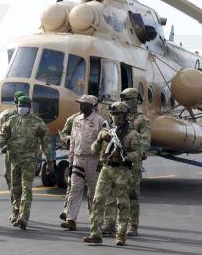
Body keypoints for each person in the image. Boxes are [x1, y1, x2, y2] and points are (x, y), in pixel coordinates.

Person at [83, 102, 142, 246]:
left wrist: (126, 156)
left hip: (122, 170)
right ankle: (95, 233)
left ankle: (121, 235)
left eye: (119, 115)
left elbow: (139, 153)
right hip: (106, 169)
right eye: (114, 114)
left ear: (125, 115)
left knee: (122, 203)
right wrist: (100, 139)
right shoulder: (107, 131)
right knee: (97, 200)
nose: (116, 117)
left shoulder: (132, 134)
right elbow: (93, 150)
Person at [0, 96, 53, 230]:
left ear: (30, 107)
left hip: (29, 160)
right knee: (15, 188)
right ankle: (16, 213)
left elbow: (46, 142)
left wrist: (49, 161)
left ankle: (23, 217)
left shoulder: (38, 122)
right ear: (17, 106)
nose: (21, 108)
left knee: (26, 188)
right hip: (14, 159)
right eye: (20, 105)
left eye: (24, 105)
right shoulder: (12, 120)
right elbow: (2, 135)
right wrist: (3, 143)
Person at [102, 88, 151, 237]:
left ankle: (132, 225)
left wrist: (129, 152)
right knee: (110, 193)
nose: (126, 102)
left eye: (129, 99)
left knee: (132, 195)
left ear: (137, 100)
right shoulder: (116, 116)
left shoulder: (142, 120)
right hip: (114, 163)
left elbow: (145, 142)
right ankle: (110, 224)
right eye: (124, 99)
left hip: (131, 164)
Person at [60, 95, 104, 231]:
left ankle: (95, 220)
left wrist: (102, 160)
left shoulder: (99, 121)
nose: (80, 106)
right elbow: (72, 140)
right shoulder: (76, 120)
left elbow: (104, 143)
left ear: (91, 105)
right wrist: (71, 160)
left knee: (93, 191)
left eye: (83, 104)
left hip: (93, 159)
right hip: (78, 159)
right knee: (74, 188)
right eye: (80, 103)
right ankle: (71, 219)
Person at [0, 90, 25, 223]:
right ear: (15, 102)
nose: (20, 105)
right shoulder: (6, 116)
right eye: (18, 102)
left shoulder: (31, 118)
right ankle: (15, 208)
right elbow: (1, 133)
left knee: (23, 184)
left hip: (26, 155)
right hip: (10, 153)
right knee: (10, 180)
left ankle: (20, 210)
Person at [57, 111, 80, 221]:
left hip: (93, 159)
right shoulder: (73, 118)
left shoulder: (100, 119)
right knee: (71, 186)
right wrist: (68, 138)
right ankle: (67, 212)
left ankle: (93, 215)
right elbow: (64, 133)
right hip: (76, 157)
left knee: (93, 190)